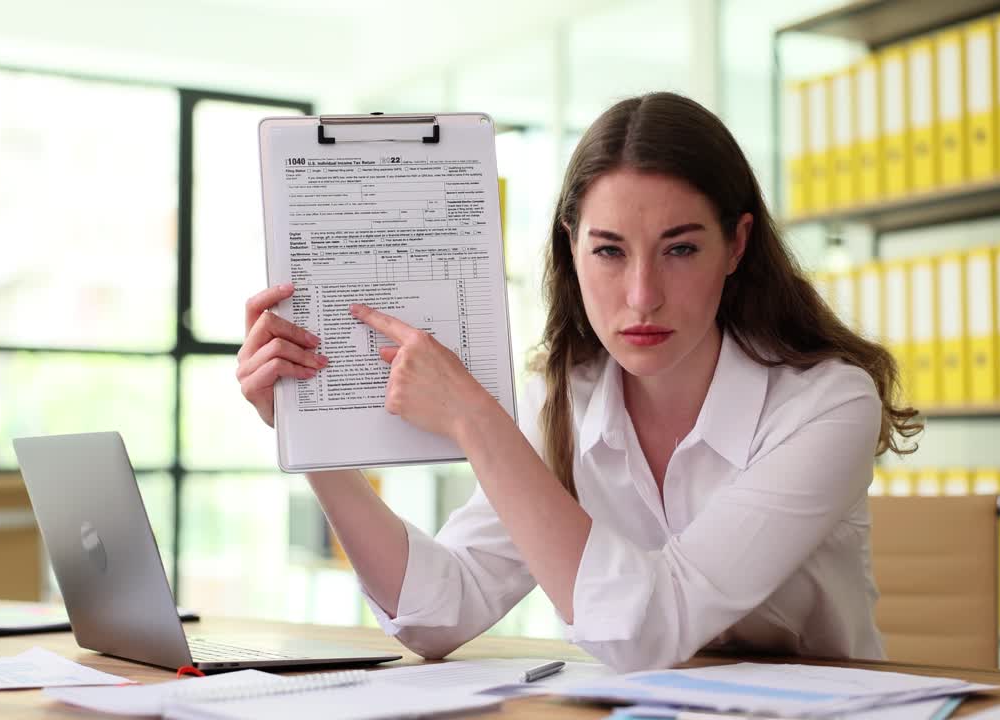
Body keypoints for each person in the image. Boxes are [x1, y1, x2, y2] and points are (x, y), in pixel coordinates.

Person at [236, 92, 921, 672]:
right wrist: (312, 434)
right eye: (609, 252)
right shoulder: (568, 397)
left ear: (737, 245)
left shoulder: (827, 403)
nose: (643, 296)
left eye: (681, 249)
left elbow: (654, 624)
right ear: (571, 245)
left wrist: (476, 420)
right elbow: (439, 611)